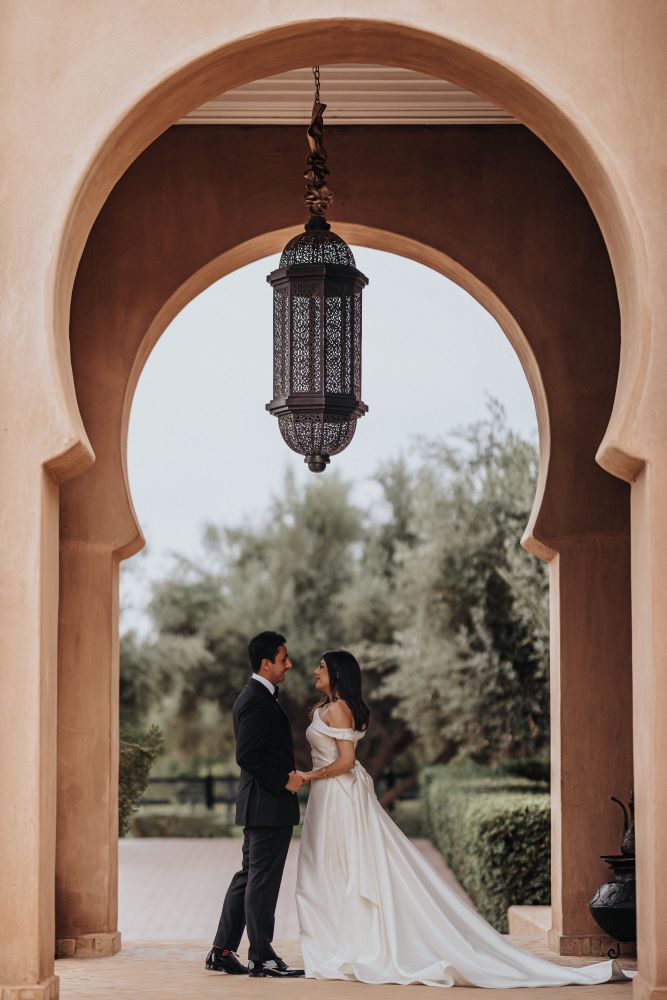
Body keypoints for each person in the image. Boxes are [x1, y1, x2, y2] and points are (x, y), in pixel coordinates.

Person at [295, 649, 632, 988]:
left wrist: (308, 777)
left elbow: (347, 762)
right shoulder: (323, 708)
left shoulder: (340, 710)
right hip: (328, 797)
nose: (314, 671)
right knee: (327, 868)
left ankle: (355, 943)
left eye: (321, 667)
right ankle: (335, 941)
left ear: (337, 673)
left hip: (340, 796)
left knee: (348, 865)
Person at [206, 631, 305, 978]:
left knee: (249, 877)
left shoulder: (260, 697)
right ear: (266, 663)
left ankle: (221, 950)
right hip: (267, 805)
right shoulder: (255, 700)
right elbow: (246, 755)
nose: (288, 664)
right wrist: (284, 780)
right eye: (283, 659)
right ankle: (261, 957)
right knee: (261, 882)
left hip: (262, 806)